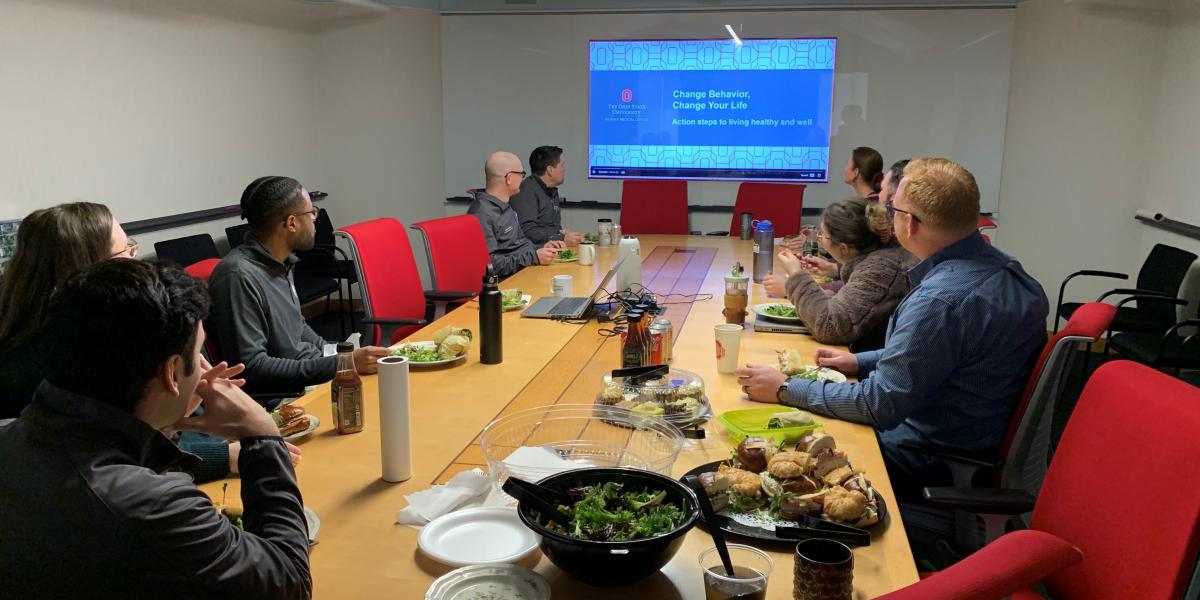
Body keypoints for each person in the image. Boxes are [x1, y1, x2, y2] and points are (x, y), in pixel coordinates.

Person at [0, 260, 311, 598]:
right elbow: (288, 581)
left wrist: (164, 421)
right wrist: (262, 436)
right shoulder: (153, 507)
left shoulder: (18, 435)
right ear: (173, 372)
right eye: (198, 352)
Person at [737, 158, 1048, 496]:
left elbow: (877, 405)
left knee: (778, 450)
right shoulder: (1008, 271)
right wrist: (860, 361)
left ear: (910, 224)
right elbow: (946, 351)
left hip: (929, 453)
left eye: (893, 211)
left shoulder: (940, 301)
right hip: (975, 434)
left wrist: (785, 388)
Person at [0, 203, 285, 483]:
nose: (138, 261)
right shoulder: (52, 362)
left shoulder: (114, 328)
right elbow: (100, 460)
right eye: (126, 250)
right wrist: (222, 451)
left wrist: (191, 400)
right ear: (90, 271)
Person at [209, 176, 389, 396]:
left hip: (309, 379)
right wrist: (340, 365)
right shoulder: (237, 276)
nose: (315, 219)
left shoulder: (283, 262)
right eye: (311, 213)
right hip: (284, 397)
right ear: (291, 223)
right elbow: (253, 368)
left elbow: (298, 327)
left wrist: (341, 354)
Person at [763, 197, 916, 351]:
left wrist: (796, 277)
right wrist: (834, 272)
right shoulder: (881, 257)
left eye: (823, 237)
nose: (821, 240)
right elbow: (847, 307)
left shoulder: (882, 269)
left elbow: (829, 326)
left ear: (843, 248)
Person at [788, 158, 911, 280]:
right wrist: (835, 269)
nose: (879, 195)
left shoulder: (870, 209)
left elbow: (862, 266)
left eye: (883, 189)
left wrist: (796, 280)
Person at [468, 151, 561, 277]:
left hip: (522, 273)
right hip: (507, 284)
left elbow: (519, 245)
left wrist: (540, 248)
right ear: (509, 178)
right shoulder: (482, 214)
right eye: (521, 174)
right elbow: (489, 265)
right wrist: (533, 257)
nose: (523, 179)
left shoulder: (505, 205)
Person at [510, 146, 584, 246]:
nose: (564, 170)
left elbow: (551, 227)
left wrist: (563, 233)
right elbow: (527, 232)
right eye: (561, 166)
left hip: (551, 251)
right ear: (550, 170)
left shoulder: (552, 190)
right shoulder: (526, 191)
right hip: (534, 255)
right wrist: (561, 238)